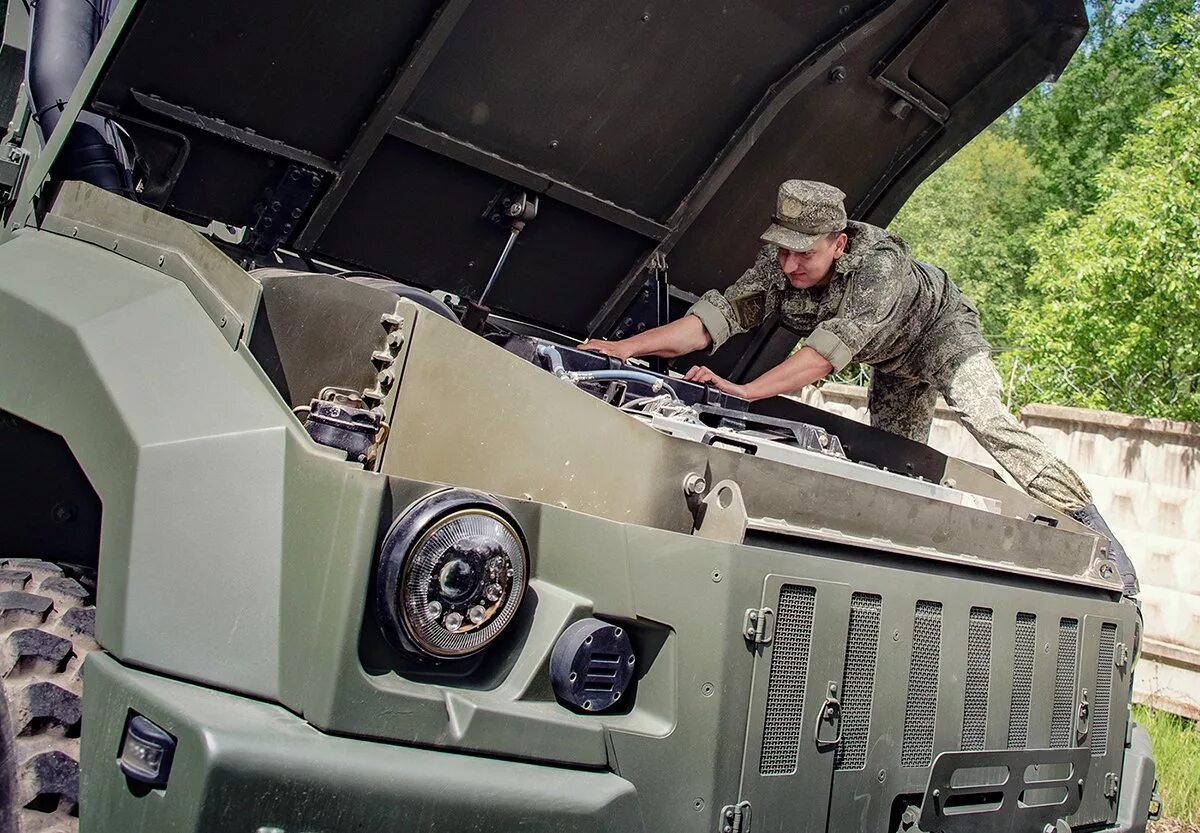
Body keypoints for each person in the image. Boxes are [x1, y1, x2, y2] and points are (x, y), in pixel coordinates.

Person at [580, 180, 1139, 596]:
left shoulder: (881, 268)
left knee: (986, 416)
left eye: (804, 251)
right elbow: (712, 320)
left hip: (941, 335)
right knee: (896, 464)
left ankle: (1095, 530)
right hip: (890, 362)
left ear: (839, 244)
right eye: (782, 248)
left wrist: (743, 392)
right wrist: (625, 349)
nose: (789, 263)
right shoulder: (779, 267)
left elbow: (822, 357)